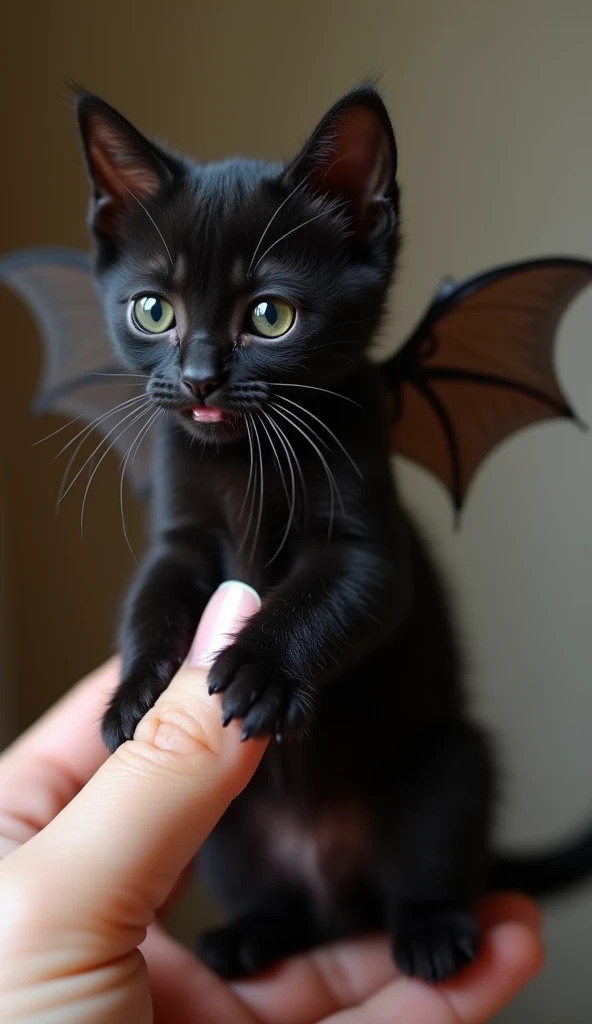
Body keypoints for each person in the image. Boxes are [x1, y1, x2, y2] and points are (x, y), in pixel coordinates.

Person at [0, 582, 542, 1024]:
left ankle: (429, 905)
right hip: (266, 845)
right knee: (222, 810)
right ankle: (270, 916)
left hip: (395, 813)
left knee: (447, 765)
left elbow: (368, 576)